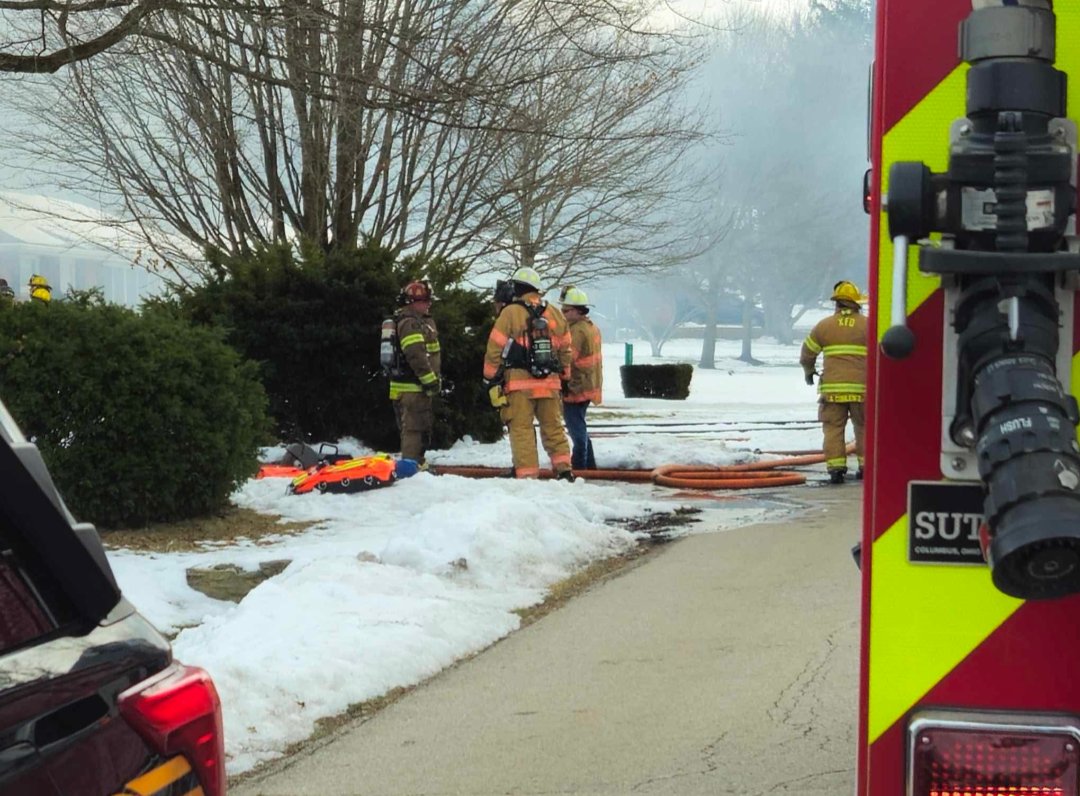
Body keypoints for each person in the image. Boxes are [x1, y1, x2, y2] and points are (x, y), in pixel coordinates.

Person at [483, 267, 575, 480]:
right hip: (550, 383)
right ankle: (564, 470)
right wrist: (565, 377)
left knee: (522, 430)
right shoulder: (554, 312)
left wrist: (489, 378)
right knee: (553, 428)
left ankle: (527, 477)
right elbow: (565, 349)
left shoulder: (510, 312)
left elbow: (494, 348)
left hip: (519, 385)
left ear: (517, 287)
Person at [800, 280, 868, 484]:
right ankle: (867, 468)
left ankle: (836, 469)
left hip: (832, 392)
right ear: (857, 303)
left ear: (836, 303)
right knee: (864, 427)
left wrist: (809, 371)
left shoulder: (824, 326)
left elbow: (807, 354)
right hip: (862, 390)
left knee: (833, 429)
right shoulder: (869, 325)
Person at [388, 280, 441, 467]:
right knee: (413, 430)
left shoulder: (420, 322)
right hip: (412, 388)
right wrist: (430, 381)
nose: (429, 304)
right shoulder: (410, 324)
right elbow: (416, 355)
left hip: (414, 387)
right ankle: (410, 469)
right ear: (413, 302)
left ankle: (416, 463)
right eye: (425, 301)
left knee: (418, 428)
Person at [560, 285, 602, 470]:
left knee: (576, 430)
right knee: (581, 428)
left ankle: (580, 468)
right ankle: (590, 467)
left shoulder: (576, 331)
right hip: (588, 385)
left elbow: (568, 358)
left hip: (576, 387)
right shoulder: (591, 327)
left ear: (577, 311)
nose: (562, 313)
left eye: (566, 310)